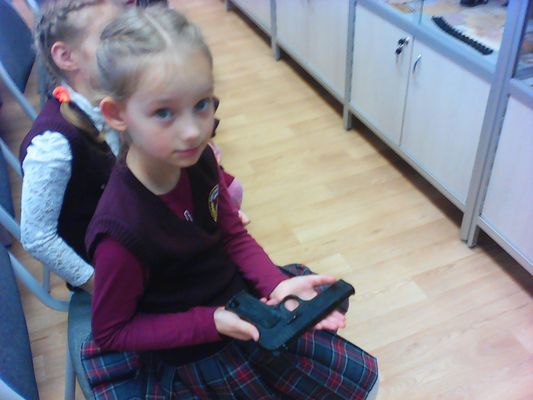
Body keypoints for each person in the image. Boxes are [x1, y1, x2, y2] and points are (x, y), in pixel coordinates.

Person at [83, 6, 379, 399]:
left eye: (202, 104)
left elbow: (232, 235)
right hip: (196, 356)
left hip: (241, 307)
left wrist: (277, 285)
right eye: (164, 112)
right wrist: (212, 322)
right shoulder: (120, 233)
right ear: (117, 114)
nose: (193, 131)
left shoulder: (199, 159)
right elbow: (112, 331)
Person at [19, 0, 123, 294]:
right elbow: (37, 237)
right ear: (66, 56)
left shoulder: (110, 98)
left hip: (131, 230)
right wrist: (100, 286)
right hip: (112, 265)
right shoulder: (53, 143)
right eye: (111, 37)